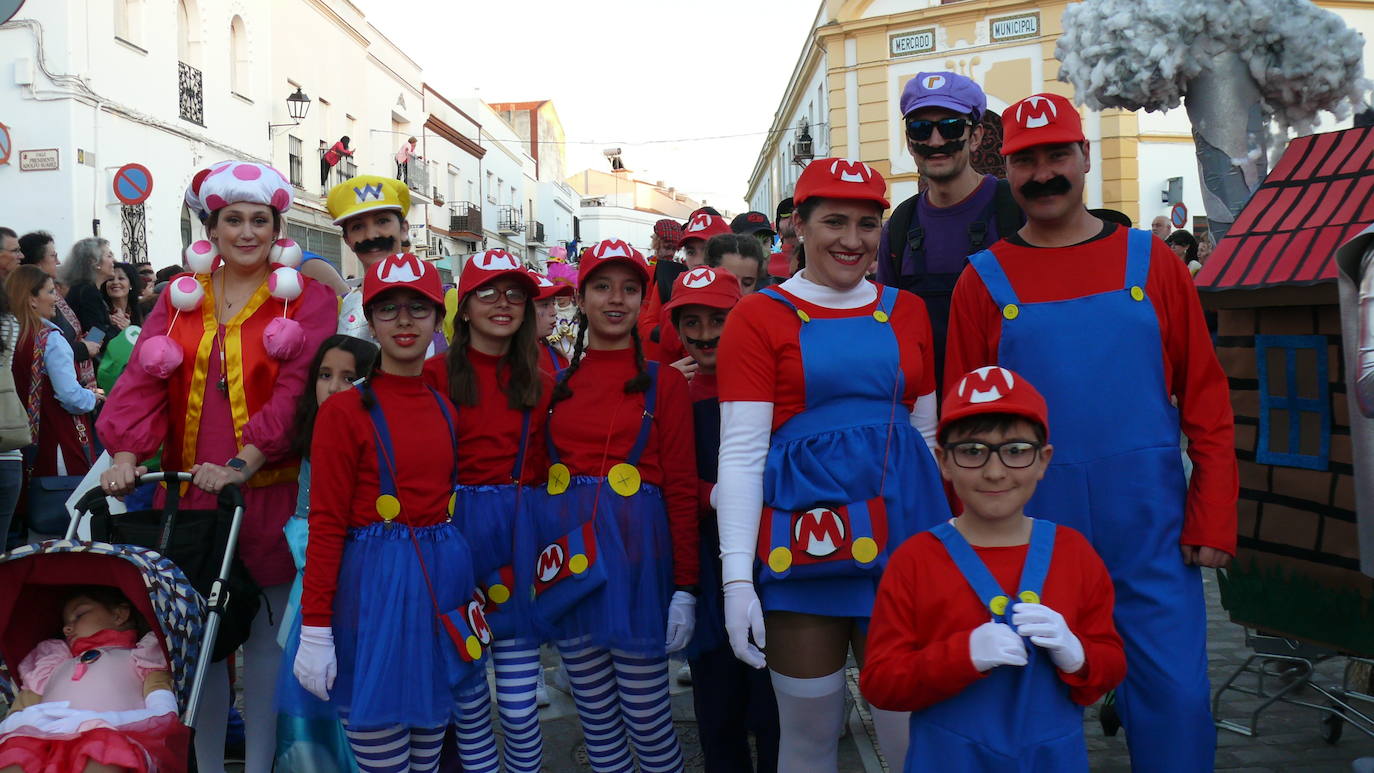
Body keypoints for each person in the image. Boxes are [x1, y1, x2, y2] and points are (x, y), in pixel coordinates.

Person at [944, 92, 1237, 772]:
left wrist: (1214, 514)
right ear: (1006, 171)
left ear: (1084, 157)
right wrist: (969, 539)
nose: (1043, 174)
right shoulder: (980, 283)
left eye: (1057, 156)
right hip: (1029, 542)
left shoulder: (1153, 261)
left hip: (1153, 533)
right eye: (1026, 161)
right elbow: (960, 429)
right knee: (1028, 716)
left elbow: (1205, 396)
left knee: (1178, 705)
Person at [97, 160, 336, 773]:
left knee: (261, 646)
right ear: (214, 227)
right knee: (196, 647)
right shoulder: (181, 301)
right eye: (234, 220)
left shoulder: (305, 299)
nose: (247, 232)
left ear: (278, 227)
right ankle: (204, 765)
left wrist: (242, 461)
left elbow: (295, 391)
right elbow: (143, 380)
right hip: (189, 498)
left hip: (267, 493)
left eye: (260, 220)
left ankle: (259, 766)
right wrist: (126, 452)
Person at [715, 158, 951, 771]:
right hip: (806, 547)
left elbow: (926, 438)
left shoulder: (907, 311)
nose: (853, 240)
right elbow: (741, 454)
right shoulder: (757, 317)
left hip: (905, 544)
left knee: (910, 735)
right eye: (835, 222)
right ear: (798, 226)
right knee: (811, 735)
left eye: (868, 224)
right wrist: (737, 577)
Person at [290, 253, 496, 772]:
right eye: (388, 309)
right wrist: (316, 628)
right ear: (370, 317)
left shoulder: (444, 406)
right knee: (380, 749)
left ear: (438, 318)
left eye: (417, 308)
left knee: (429, 749)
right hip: (373, 594)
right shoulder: (343, 412)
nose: (404, 321)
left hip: (439, 589)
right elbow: (327, 524)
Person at [862, 366, 1126, 770]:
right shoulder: (915, 560)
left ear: (1044, 460)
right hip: (950, 759)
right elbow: (880, 683)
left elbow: (1110, 667)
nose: (995, 470)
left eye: (1016, 450)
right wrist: (960, 655)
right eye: (972, 451)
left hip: (1051, 759)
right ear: (943, 461)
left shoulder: (1074, 553)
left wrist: (1078, 655)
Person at [535, 239, 697, 772]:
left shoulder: (666, 383)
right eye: (602, 286)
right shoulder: (555, 385)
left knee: (649, 721)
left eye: (630, 289)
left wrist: (685, 589)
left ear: (643, 299)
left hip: (636, 568)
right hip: (574, 570)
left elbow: (679, 486)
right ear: (579, 297)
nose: (615, 299)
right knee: (597, 721)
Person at [423, 250, 552, 773]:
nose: (503, 303)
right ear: (465, 306)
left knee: (520, 710)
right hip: (452, 541)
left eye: (515, 293)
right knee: (470, 707)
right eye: (489, 292)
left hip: (518, 541)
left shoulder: (540, 379)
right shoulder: (432, 375)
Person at [665, 265, 780, 772]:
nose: (705, 334)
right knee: (715, 699)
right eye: (692, 321)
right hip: (702, 562)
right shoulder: (671, 388)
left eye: (718, 319)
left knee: (774, 697)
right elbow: (660, 480)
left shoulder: (770, 378)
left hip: (768, 553)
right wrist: (715, 496)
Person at [877, 72, 1023, 393]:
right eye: (920, 128)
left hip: (1011, 409)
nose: (936, 141)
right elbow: (888, 330)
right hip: (928, 412)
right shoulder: (900, 226)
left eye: (951, 127)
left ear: (976, 136)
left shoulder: (1015, 209)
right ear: (909, 140)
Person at [275, 334, 376, 772]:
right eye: (325, 375)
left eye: (350, 378)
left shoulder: (370, 439)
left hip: (360, 588)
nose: (334, 388)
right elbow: (304, 523)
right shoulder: (314, 439)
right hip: (312, 588)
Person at [0, 586, 187, 772]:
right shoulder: (50, 666)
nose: (66, 628)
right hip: (42, 739)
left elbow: (164, 714)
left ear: (119, 614)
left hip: (115, 737)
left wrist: (103, 720)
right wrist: (34, 720)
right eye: (65, 622)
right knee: (14, 758)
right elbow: (12, 720)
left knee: (103, 756)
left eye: (79, 615)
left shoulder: (143, 657)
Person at [9, 265, 101, 499]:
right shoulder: (50, 339)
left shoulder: (11, 336)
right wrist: (93, 396)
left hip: (18, 442)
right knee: (63, 515)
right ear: (32, 299)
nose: (55, 300)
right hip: (57, 437)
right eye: (50, 292)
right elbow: (70, 397)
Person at [327, 175, 412, 340]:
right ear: (347, 240)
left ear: (403, 229)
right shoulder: (337, 308)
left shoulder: (445, 299)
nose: (371, 235)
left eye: (382, 221)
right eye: (358, 227)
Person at [20, 231, 97, 388]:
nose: (59, 261)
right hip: (61, 382)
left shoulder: (54, 292)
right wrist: (85, 346)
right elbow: (42, 347)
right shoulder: (86, 291)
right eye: (53, 256)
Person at [61, 238, 118, 357]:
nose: (114, 260)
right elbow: (94, 334)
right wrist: (118, 327)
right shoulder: (88, 292)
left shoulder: (84, 288)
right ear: (94, 262)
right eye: (109, 256)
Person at [529, 269, 572, 374]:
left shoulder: (559, 359)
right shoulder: (501, 358)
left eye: (553, 303)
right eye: (544, 305)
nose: (554, 312)